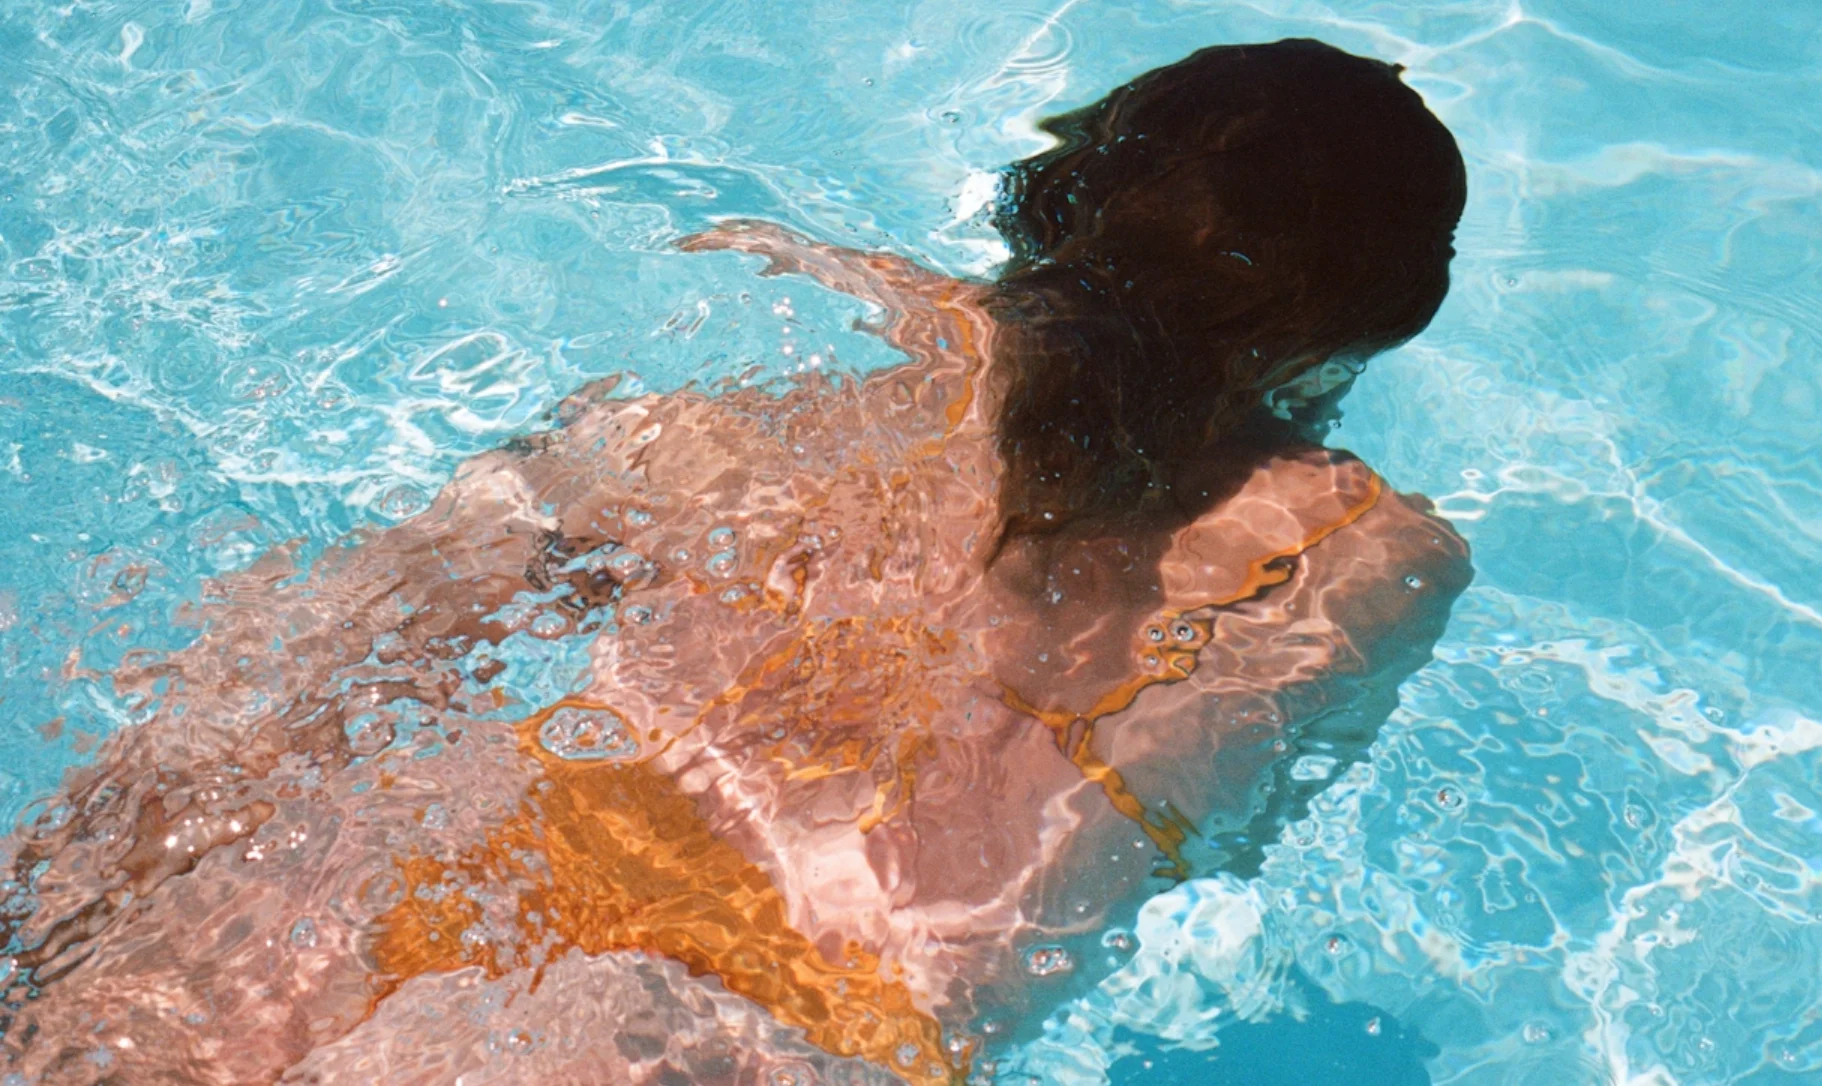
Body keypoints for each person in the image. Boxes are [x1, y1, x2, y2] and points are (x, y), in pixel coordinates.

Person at [0, 38, 1468, 1085]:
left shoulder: (742, 428)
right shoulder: (1367, 554)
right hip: (778, 1025)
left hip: (473, 865)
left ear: (1056, 192)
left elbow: (309, 663)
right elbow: (1210, 839)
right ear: (1375, 322)